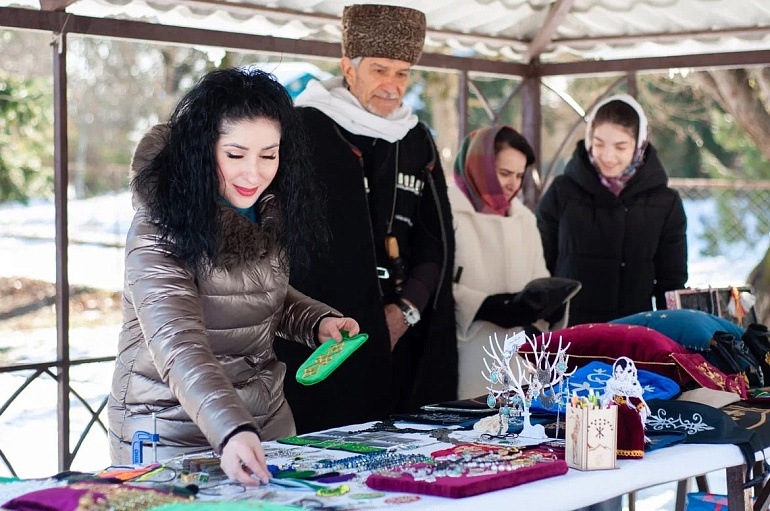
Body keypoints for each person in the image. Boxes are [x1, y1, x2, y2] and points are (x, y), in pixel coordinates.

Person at [107, 68, 359, 485]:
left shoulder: (267, 209)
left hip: (264, 425)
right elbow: (178, 343)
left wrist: (317, 321)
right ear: (204, 150)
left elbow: (256, 294)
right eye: (235, 154)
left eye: (269, 155)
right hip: (171, 432)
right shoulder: (158, 225)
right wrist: (232, 430)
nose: (253, 174)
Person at [274, 4, 457, 434]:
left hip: (405, 340)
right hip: (330, 343)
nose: (392, 87)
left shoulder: (414, 137)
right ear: (347, 68)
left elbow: (436, 240)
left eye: (402, 73)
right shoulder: (304, 129)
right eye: (380, 70)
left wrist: (406, 310)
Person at [536, 93, 687, 325]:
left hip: (633, 332)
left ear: (639, 146)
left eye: (620, 147)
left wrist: (673, 334)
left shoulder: (666, 203)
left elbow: (671, 281)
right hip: (570, 332)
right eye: (599, 144)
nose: (607, 156)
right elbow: (539, 264)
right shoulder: (562, 192)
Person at [450, 125, 578, 399]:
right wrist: (484, 306)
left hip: (517, 361)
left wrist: (547, 305)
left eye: (519, 175)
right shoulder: (449, 213)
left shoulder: (524, 219)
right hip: (463, 355)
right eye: (504, 173)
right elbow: (437, 284)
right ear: (479, 166)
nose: (513, 184)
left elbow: (539, 277)